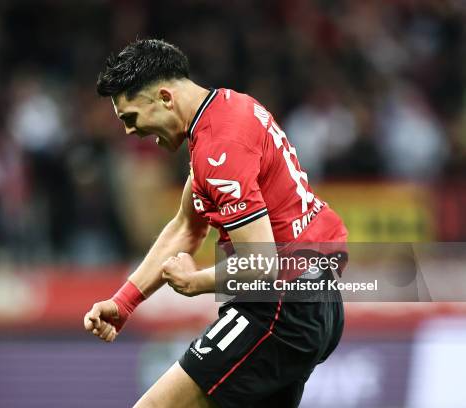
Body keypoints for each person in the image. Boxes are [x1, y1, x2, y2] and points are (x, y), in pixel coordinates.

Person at [83, 39, 348, 408]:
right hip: (314, 299)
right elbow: (186, 228)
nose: (131, 132)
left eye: (131, 118)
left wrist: (195, 282)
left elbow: (261, 265)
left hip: (278, 308)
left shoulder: (219, 149)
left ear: (164, 97)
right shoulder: (229, 107)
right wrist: (124, 302)